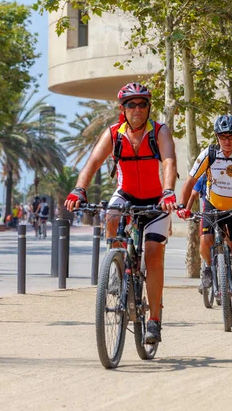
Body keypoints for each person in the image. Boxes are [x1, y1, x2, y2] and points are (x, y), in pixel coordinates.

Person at [64, 82, 177, 343]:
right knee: (111, 216)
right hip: (125, 193)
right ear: (122, 109)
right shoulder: (114, 133)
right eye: (131, 104)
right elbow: (92, 162)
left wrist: (169, 191)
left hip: (156, 200)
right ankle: (116, 265)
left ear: (149, 107)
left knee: (152, 254)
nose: (137, 109)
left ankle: (154, 321)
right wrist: (79, 190)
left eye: (142, 104)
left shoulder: (158, 131)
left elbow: (169, 160)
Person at [177, 115, 232, 314]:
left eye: (231, 136)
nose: (227, 141)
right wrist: (182, 205)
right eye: (222, 136)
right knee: (206, 241)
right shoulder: (208, 153)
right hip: (212, 205)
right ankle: (208, 266)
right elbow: (190, 182)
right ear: (216, 136)